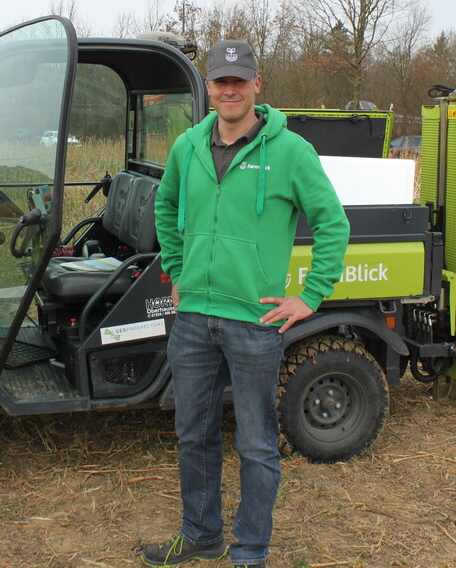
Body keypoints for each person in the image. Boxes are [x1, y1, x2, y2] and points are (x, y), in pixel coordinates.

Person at [142, 41, 350, 568]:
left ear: (257, 85)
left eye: (240, 80)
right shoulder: (188, 147)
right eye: (220, 81)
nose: (229, 90)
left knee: (256, 443)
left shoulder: (290, 152)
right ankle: (200, 536)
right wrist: (177, 266)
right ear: (208, 88)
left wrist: (310, 296)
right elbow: (166, 206)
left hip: (255, 321)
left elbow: (332, 223)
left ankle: (250, 552)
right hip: (192, 319)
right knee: (194, 435)